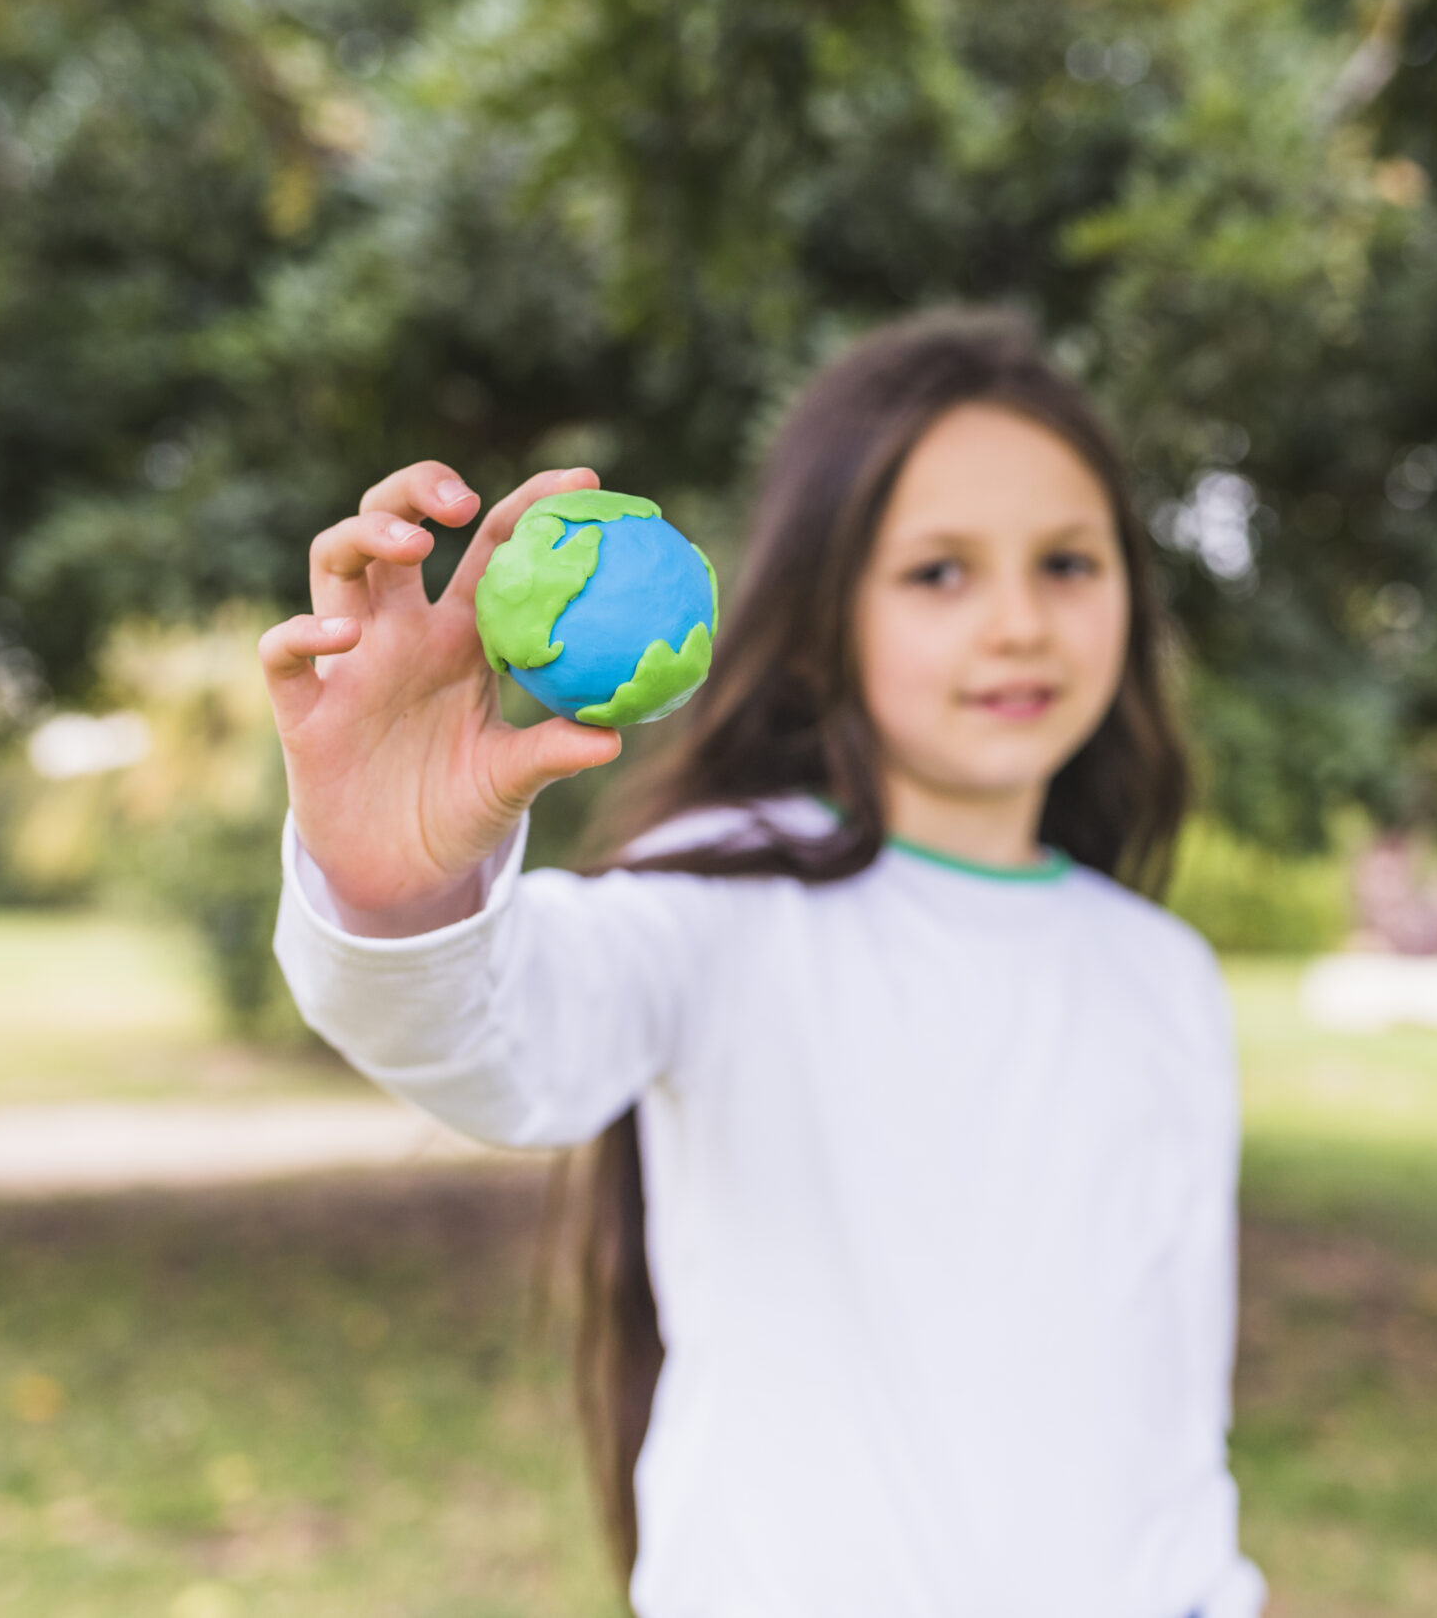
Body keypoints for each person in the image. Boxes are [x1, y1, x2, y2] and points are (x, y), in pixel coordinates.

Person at [260, 309, 1265, 1618]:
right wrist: (398, 883)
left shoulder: (1164, 975)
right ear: (818, 613)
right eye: (941, 573)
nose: (1019, 621)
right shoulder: (720, 896)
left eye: (1067, 563)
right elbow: (498, 1046)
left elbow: (1167, 1392)